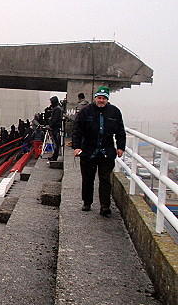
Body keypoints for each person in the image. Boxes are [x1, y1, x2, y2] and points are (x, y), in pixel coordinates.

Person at [72, 86, 126, 216]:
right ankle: (87, 202)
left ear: (107, 99)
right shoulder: (85, 112)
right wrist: (77, 147)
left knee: (105, 179)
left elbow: (120, 131)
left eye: (104, 98)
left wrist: (120, 147)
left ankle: (105, 206)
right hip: (88, 151)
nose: (101, 100)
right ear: (95, 98)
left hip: (106, 151)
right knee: (87, 178)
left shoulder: (115, 112)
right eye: (99, 98)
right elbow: (77, 130)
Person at [47, 96, 63, 161]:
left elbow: (55, 119)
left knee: (55, 143)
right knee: (55, 143)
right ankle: (54, 156)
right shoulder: (58, 108)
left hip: (55, 128)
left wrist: (50, 125)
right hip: (55, 128)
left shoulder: (57, 109)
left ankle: (54, 156)